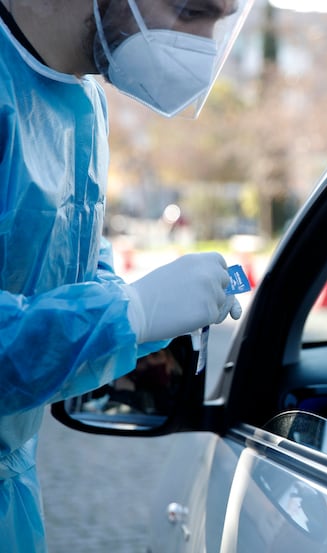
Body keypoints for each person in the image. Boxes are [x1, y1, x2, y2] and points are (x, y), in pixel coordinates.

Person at [0, 1, 255, 551]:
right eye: (191, 10)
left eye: (219, 21)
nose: (205, 47)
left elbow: (77, 284)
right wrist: (132, 312)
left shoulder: (85, 104)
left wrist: (147, 312)